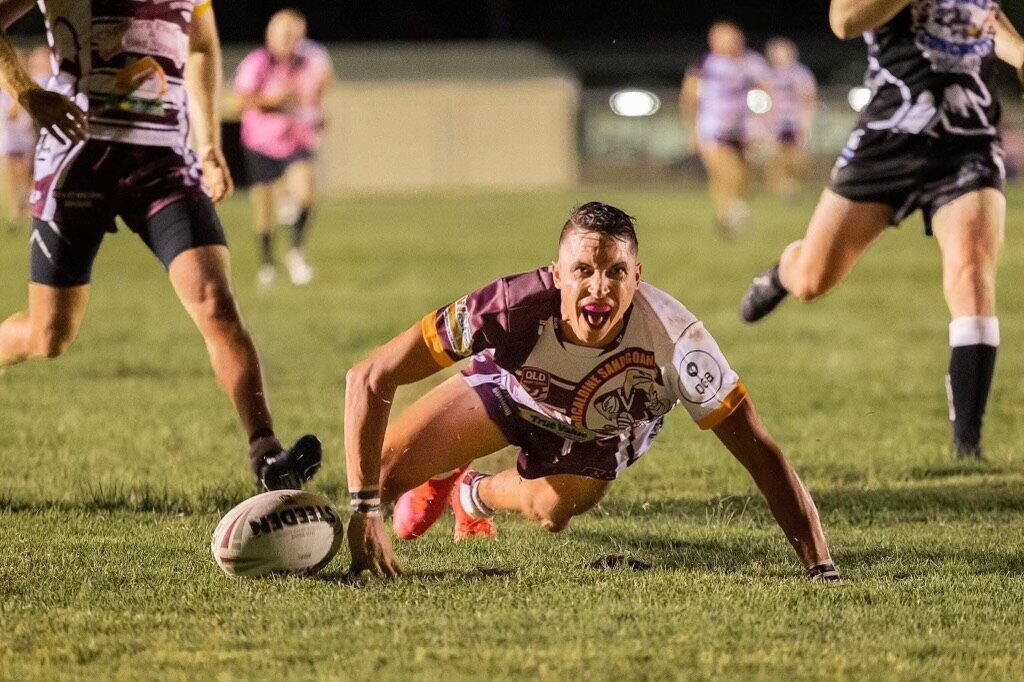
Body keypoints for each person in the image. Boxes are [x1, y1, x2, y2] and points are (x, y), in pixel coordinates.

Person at [344, 201, 839, 581]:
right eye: (583, 270)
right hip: (510, 393)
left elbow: (760, 453)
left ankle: (474, 492)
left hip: (599, 431)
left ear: (637, 277)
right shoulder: (505, 306)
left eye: (615, 272)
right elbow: (368, 376)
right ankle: (442, 465)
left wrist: (820, 567)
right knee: (378, 485)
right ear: (557, 274)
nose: (599, 287)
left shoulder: (678, 343)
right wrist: (365, 510)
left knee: (550, 514)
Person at [0, 0, 321, 489]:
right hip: (78, 158)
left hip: (163, 164)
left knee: (216, 302)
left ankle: (266, 453)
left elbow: (203, 45)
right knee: (49, 335)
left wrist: (208, 145)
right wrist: (28, 93)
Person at [741, 0, 1024, 460]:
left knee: (972, 274)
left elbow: (986, 18)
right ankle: (784, 271)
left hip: (968, 141)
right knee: (813, 280)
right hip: (889, 136)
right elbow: (844, 20)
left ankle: (967, 447)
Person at [234, 9, 333, 288]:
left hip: (296, 139)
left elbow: (317, 93)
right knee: (264, 208)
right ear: (271, 35)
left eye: (295, 35)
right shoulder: (257, 62)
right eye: (285, 35)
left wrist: (318, 114)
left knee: (307, 190)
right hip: (261, 141)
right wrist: (274, 100)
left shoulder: (309, 62)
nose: (290, 41)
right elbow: (239, 101)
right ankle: (267, 264)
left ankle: (295, 250)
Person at [680, 21, 772, 237]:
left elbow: (768, 91)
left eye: (733, 37)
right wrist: (692, 130)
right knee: (723, 170)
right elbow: (689, 98)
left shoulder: (752, 62)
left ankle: (735, 207)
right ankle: (727, 213)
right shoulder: (704, 64)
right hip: (712, 127)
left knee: (744, 175)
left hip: (744, 128)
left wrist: (764, 124)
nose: (731, 42)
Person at [763, 37, 817, 199]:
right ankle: (782, 185)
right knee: (778, 155)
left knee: (797, 156)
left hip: (796, 120)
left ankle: (793, 182)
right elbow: (765, 96)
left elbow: (809, 95)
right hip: (776, 121)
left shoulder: (801, 73)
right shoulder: (768, 74)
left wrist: (807, 118)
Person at [0, 46, 47, 232]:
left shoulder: (29, 86)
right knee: (13, 175)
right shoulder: (5, 91)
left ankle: (31, 206)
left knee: (27, 174)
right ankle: (16, 211)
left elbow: (17, 113)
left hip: (26, 137)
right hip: (10, 138)